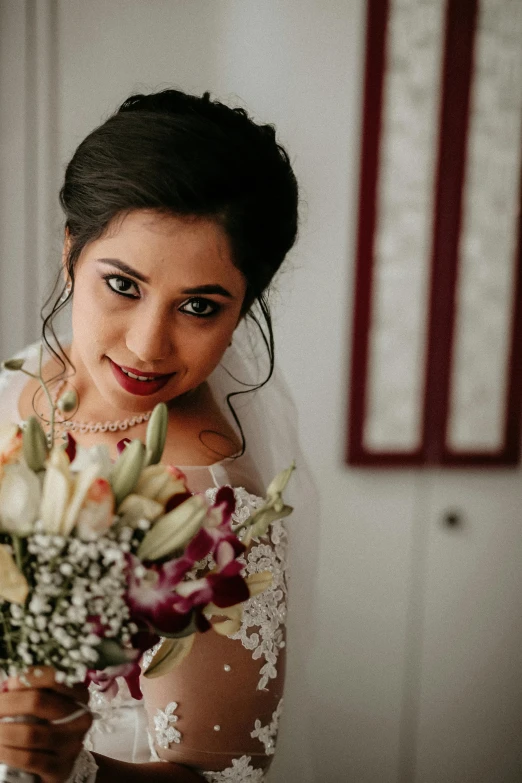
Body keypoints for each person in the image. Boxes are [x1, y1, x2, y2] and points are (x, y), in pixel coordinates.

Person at [0, 88, 299, 782]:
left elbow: (221, 773)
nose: (145, 345)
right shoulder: (25, 381)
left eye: (199, 306)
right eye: (123, 285)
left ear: (243, 308)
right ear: (73, 249)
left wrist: (67, 763)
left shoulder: (213, 505)